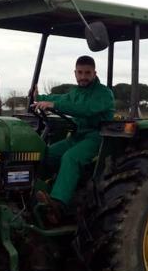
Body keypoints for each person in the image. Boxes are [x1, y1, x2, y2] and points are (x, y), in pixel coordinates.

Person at [33, 55, 115, 223]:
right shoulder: (76, 92)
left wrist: (54, 105)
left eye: (87, 73)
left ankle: (57, 205)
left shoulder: (104, 94)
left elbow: (85, 109)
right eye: (80, 72)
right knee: (44, 153)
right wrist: (39, 97)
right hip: (78, 136)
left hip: (98, 137)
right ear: (75, 73)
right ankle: (32, 192)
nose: (83, 76)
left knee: (70, 158)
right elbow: (60, 99)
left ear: (94, 73)